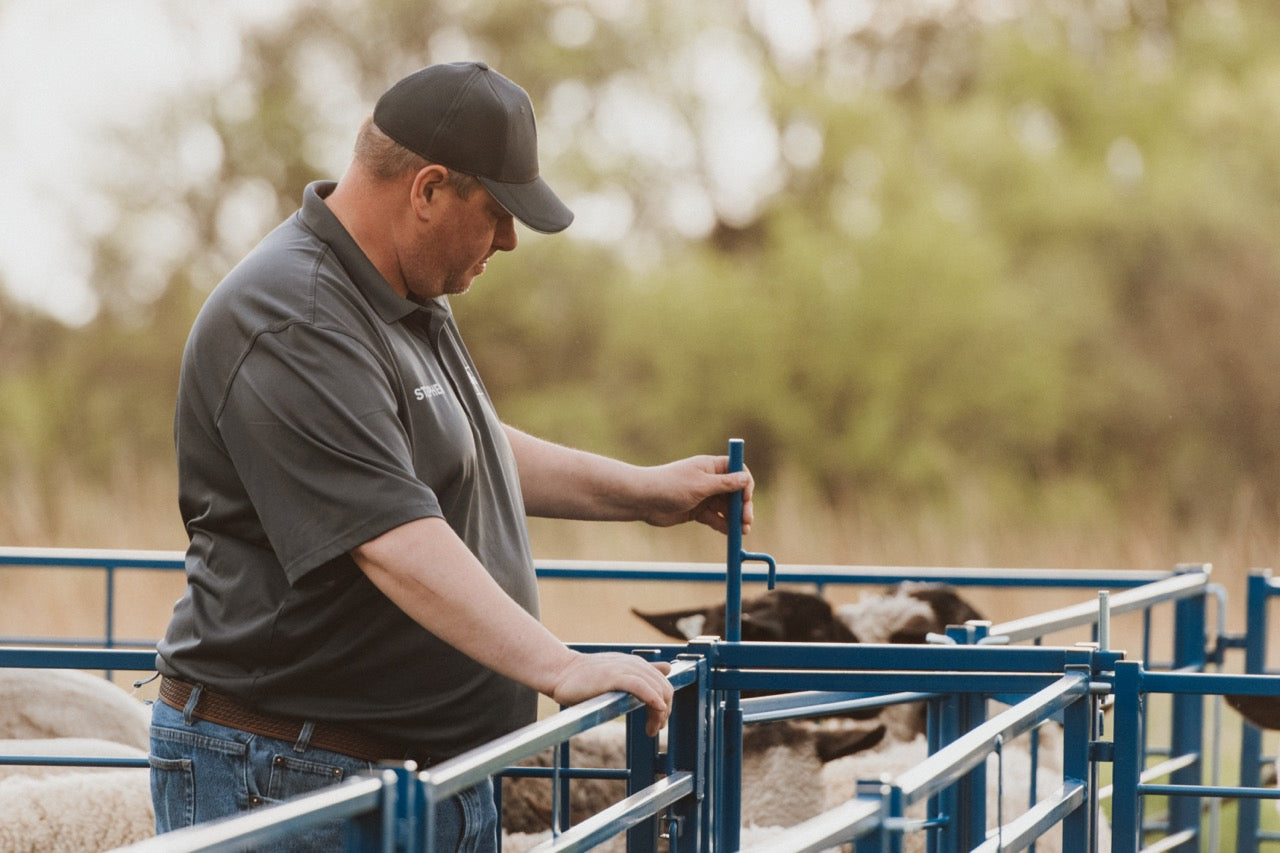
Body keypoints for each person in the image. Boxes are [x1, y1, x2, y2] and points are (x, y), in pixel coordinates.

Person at [149, 60, 754, 851]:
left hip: (409, 774)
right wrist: (559, 666)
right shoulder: (293, 317)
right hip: (294, 775)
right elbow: (393, 540)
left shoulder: (403, 294)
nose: (508, 239)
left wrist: (642, 492)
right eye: (499, 212)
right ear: (427, 189)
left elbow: (465, 443)